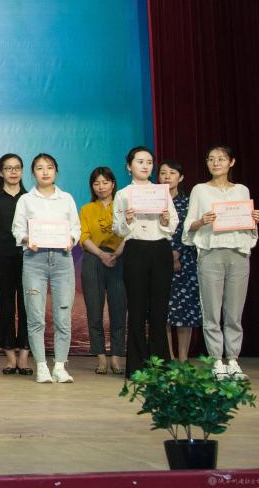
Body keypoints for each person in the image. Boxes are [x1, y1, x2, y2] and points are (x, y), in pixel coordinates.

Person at [183, 145, 259, 381]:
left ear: (231, 162)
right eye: (211, 159)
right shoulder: (199, 190)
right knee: (211, 309)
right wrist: (202, 221)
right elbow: (189, 226)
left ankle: (233, 360)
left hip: (238, 253)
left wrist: (255, 218)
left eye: (221, 159)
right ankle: (216, 360)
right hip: (211, 253)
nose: (216, 163)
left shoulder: (241, 190)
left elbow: (247, 224)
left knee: (234, 312)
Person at [11, 153, 81, 384]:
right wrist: (27, 239)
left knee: (63, 316)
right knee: (36, 317)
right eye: (40, 168)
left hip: (62, 261)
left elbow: (76, 228)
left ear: (56, 171)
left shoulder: (66, 198)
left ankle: (60, 366)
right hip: (34, 260)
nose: (45, 172)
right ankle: (41, 366)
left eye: (49, 167)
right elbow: (17, 229)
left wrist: (71, 239)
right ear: (33, 173)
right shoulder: (26, 200)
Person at [113, 146, 178, 377]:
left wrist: (165, 220)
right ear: (129, 166)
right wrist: (128, 220)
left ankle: (160, 365)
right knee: (137, 308)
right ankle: (137, 366)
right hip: (135, 250)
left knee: (159, 309)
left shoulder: (161, 192)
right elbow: (118, 229)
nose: (145, 166)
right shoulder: (123, 194)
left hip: (160, 249)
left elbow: (173, 225)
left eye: (149, 162)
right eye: (140, 161)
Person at [0, 154, 30, 376]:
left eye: (17, 168)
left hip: (29, 259)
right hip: (0, 259)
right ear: (0, 172)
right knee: (6, 308)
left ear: (22, 171)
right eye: (8, 168)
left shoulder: (31, 199)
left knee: (28, 308)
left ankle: (24, 356)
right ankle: (10, 356)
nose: (13, 172)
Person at [79, 167, 127, 375]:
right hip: (93, 259)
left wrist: (116, 253)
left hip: (120, 258)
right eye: (97, 183)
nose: (101, 187)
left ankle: (116, 357)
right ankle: (100, 357)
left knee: (119, 310)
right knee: (94, 310)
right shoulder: (87, 209)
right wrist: (101, 254)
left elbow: (130, 232)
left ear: (113, 184)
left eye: (105, 182)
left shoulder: (123, 207)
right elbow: (83, 237)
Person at [159, 159, 200, 362]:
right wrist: (168, 254)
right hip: (159, 259)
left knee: (185, 311)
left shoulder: (190, 203)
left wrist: (178, 254)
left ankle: (183, 358)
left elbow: (192, 230)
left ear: (181, 177)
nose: (167, 177)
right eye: (163, 173)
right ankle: (169, 357)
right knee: (163, 310)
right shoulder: (154, 202)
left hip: (186, 261)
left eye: (172, 173)